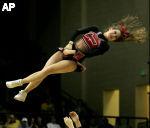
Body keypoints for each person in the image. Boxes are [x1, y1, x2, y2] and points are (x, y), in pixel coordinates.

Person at [6, 16, 147, 102]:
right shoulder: (94, 28)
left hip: (74, 61)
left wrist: (72, 50)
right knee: (43, 72)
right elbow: (77, 32)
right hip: (66, 50)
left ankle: (20, 82)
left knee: (47, 71)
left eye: (115, 38)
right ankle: (24, 93)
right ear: (111, 28)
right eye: (114, 33)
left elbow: (89, 54)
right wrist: (69, 43)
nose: (113, 36)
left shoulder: (105, 46)